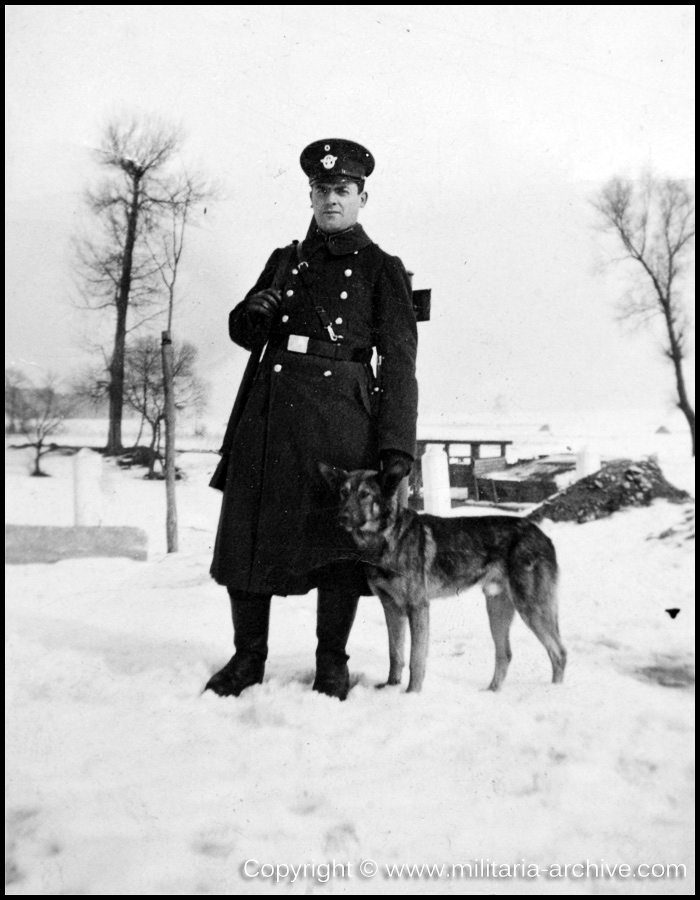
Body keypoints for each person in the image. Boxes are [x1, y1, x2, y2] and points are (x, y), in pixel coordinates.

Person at [207, 138, 418, 700]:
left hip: (342, 416)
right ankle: (247, 659)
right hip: (272, 413)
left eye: (343, 191)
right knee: (247, 536)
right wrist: (251, 312)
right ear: (310, 193)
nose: (332, 200)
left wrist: (397, 446)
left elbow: (399, 362)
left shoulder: (381, 269)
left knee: (338, 545)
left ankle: (332, 662)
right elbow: (245, 331)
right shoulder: (285, 260)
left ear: (362, 198)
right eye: (323, 190)